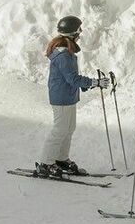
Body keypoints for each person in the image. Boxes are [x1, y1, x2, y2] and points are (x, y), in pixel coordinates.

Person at [37, 14, 106, 178]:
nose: (80, 35)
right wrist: (94, 83)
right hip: (61, 97)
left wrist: (86, 85)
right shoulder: (63, 55)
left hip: (67, 96)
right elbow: (72, 79)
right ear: (73, 34)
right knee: (60, 130)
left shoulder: (66, 51)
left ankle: (61, 158)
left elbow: (71, 79)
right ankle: (45, 163)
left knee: (68, 129)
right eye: (78, 32)